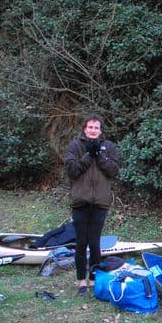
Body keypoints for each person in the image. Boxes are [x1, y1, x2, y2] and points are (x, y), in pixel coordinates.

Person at [64, 115, 120, 295]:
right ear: (84, 129)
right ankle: (81, 281)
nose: (93, 130)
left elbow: (114, 170)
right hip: (80, 201)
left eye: (96, 128)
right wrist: (88, 154)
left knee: (95, 243)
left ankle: (95, 279)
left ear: (100, 130)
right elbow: (72, 171)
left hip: (100, 202)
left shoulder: (109, 147)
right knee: (81, 242)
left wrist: (100, 155)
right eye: (90, 127)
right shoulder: (75, 146)